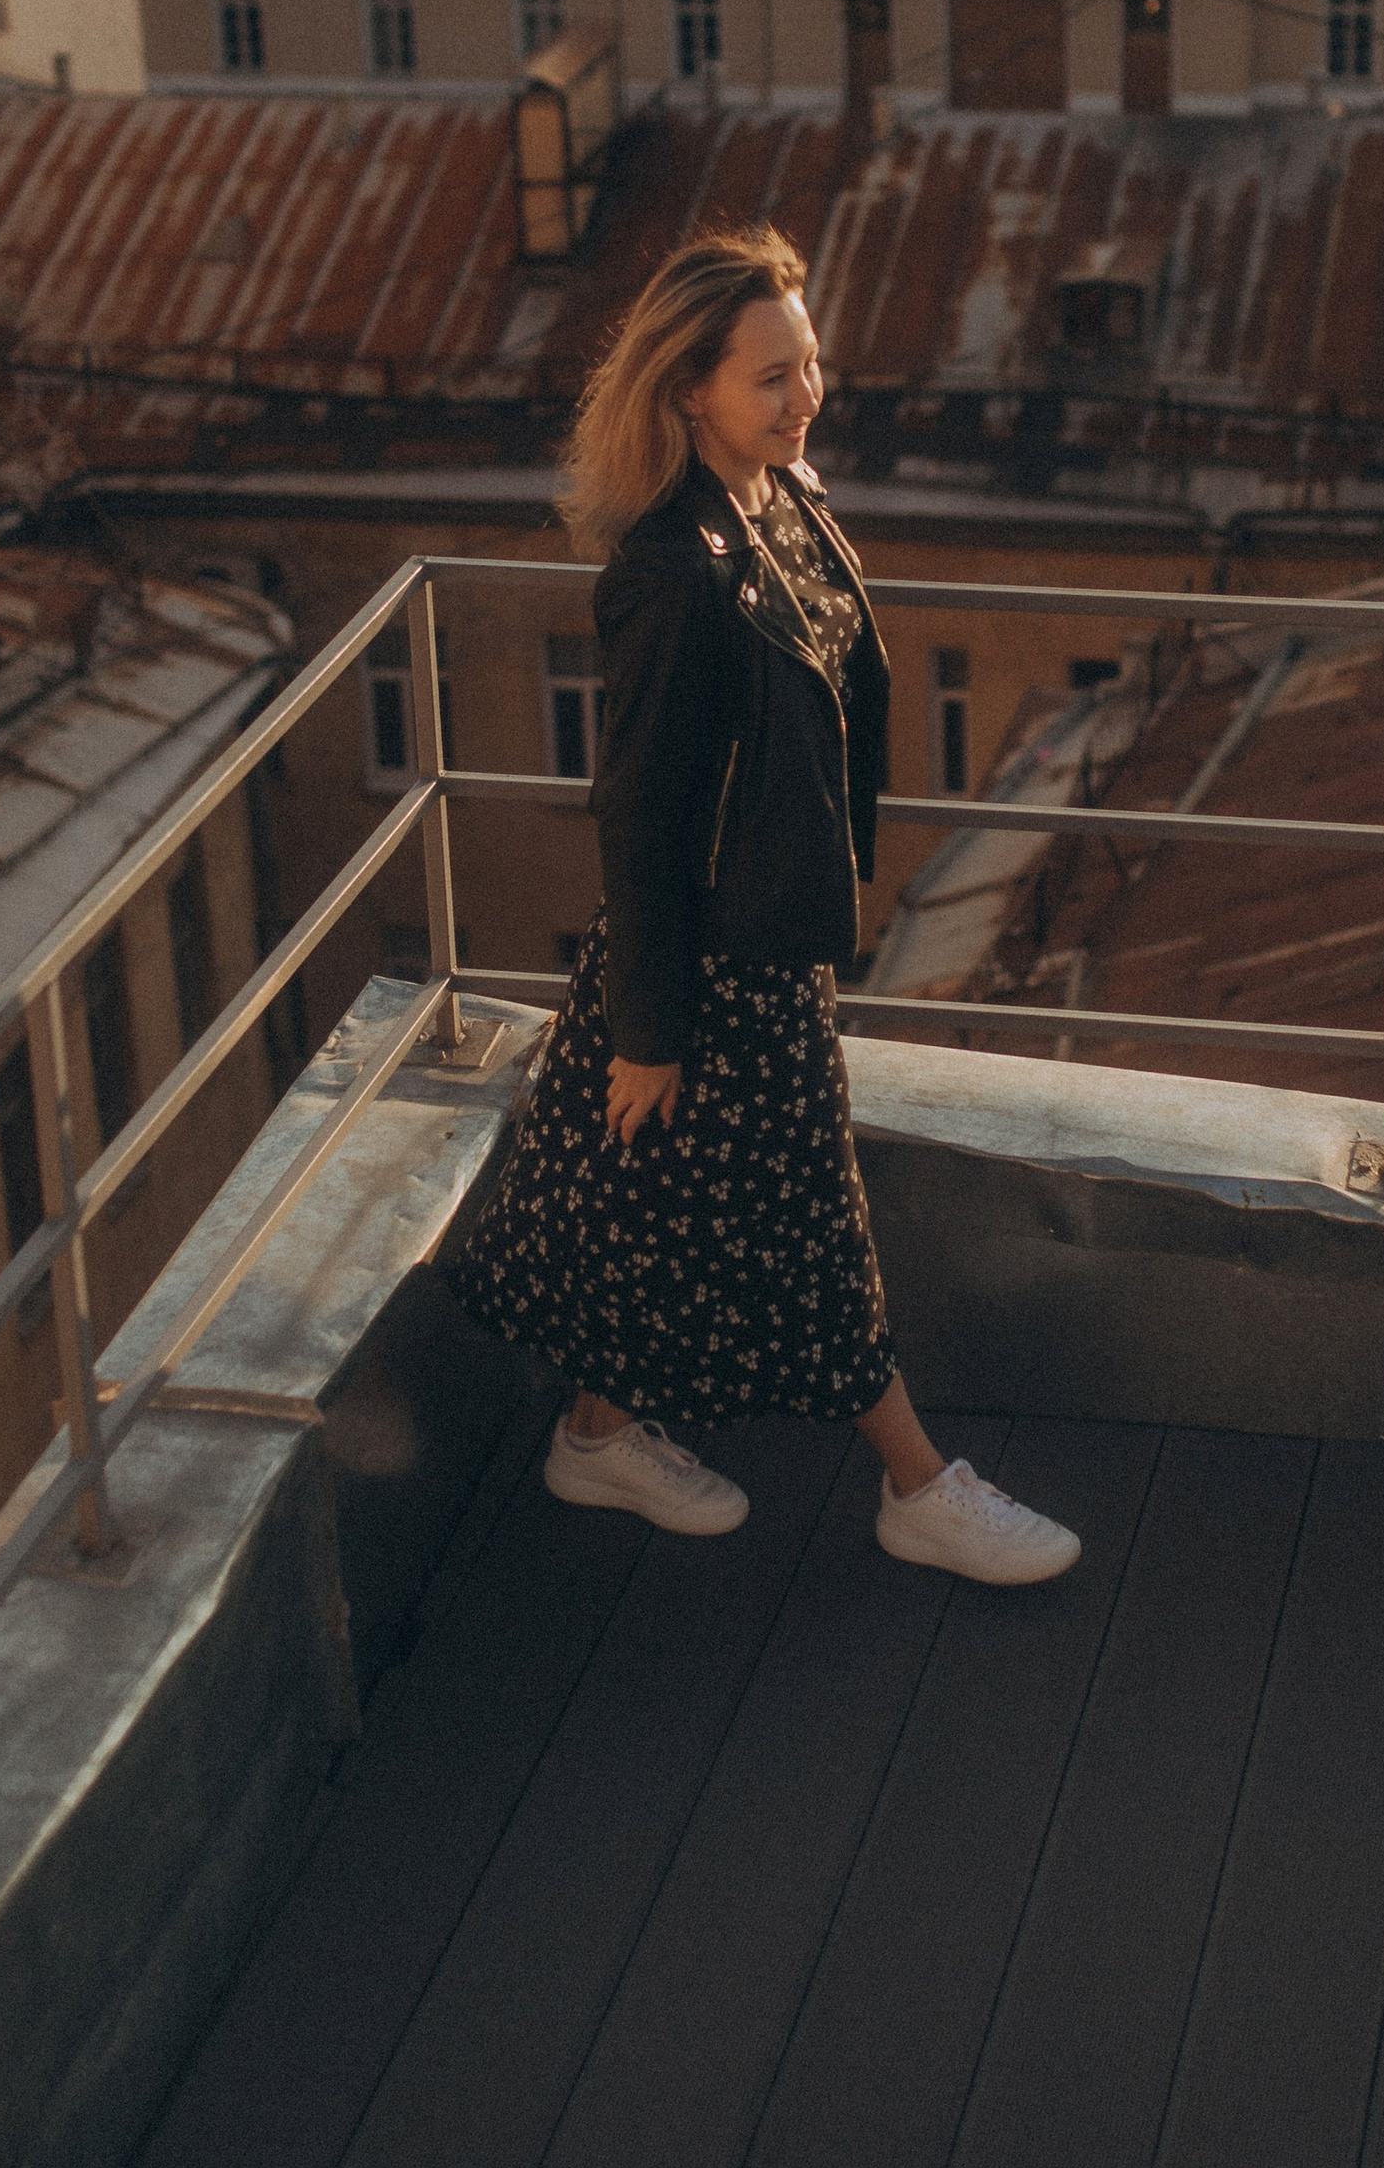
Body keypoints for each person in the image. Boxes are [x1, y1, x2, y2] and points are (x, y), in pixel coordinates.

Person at [452, 226, 1078, 1587]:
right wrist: (650, 1030)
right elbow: (641, 814)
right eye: (769, 375)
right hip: (720, 961)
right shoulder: (672, 579)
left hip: (766, 936)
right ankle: (921, 1488)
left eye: (810, 361)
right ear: (689, 391)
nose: (805, 393)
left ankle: (597, 1433)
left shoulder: (777, 503)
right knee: (811, 1232)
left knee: (656, 1207)